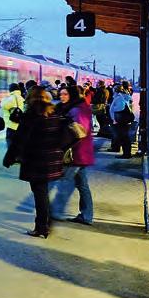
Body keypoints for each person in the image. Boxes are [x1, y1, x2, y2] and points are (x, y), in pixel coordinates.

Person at [4, 87, 71, 238]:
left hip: (36, 160)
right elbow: (64, 136)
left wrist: (9, 157)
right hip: (51, 159)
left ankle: (42, 227)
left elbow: (19, 139)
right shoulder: (54, 112)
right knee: (42, 192)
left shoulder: (31, 115)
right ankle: (44, 224)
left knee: (39, 193)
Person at [51, 85, 95, 225]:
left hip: (76, 153)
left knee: (65, 181)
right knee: (82, 185)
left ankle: (56, 211)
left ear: (72, 95)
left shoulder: (77, 110)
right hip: (80, 152)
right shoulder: (77, 107)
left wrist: (63, 145)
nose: (61, 97)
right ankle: (87, 216)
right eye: (61, 94)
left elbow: (79, 132)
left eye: (65, 94)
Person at [109, 85, 134, 158]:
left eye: (113, 89)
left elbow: (120, 107)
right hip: (123, 120)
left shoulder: (119, 98)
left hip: (121, 120)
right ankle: (126, 153)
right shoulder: (123, 97)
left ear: (116, 90)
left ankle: (126, 154)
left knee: (123, 137)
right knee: (124, 136)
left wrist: (113, 109)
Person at [0, 82, 25, 151]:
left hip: (12, 124)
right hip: (20, 124)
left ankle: (12, 157)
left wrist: (4, 99)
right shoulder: (22, 98)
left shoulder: (12, 98)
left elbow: (3, 105)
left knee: (10, 141)